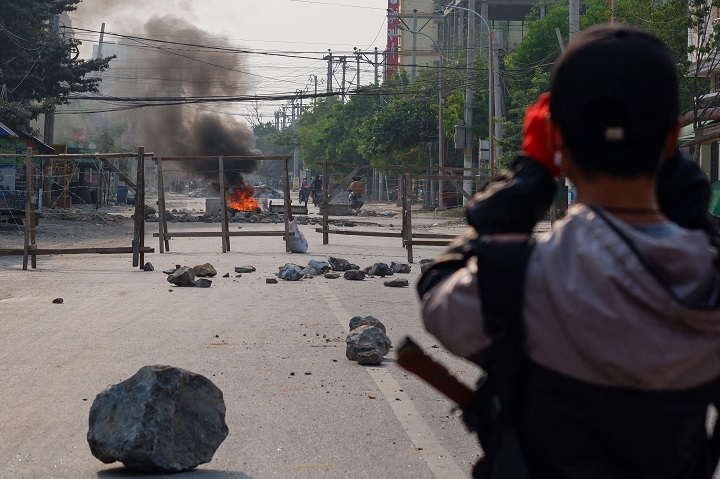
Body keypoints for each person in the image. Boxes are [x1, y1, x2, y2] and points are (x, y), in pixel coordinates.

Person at [418, 26, 720, 478]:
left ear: (555, 140)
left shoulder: (516, 278)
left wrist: (527, 178)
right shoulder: (710, 280)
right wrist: (687, 200)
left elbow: (437, 291)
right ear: (672, 141)